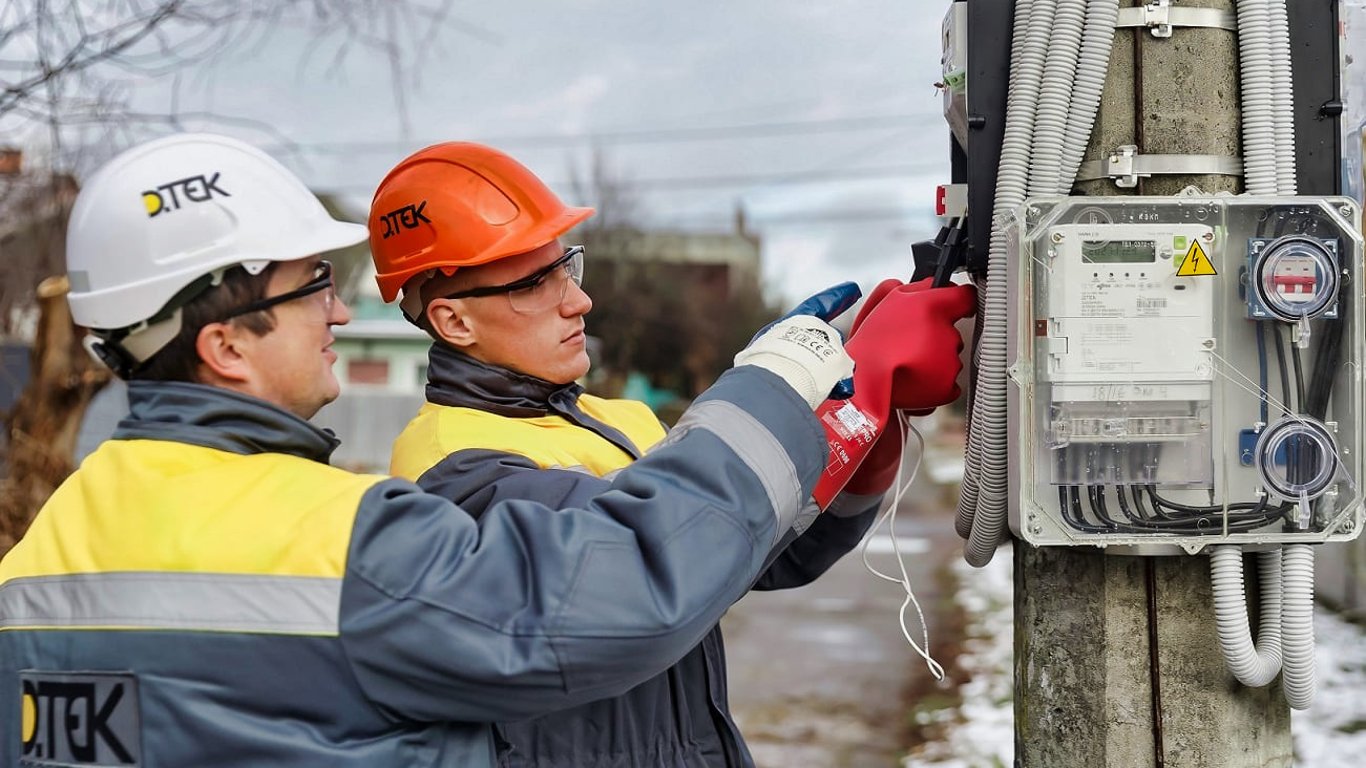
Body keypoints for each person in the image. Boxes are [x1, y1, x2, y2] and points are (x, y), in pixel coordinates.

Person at [0, 133, 893, 767]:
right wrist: (772, 386)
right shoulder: (346, 535)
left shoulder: (36, 561)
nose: (341, 312)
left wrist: (870, 430)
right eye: (314, 286)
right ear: (227, 346)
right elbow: (624, 589)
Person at [367, 141, 977, 768]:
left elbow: (746, 551)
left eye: (566, 267)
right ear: (455, 321)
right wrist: (776, 385)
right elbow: (650, 569)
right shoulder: (451, 470)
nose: (578, 301)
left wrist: (861, 415)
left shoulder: (616, 420)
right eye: (533, 284)